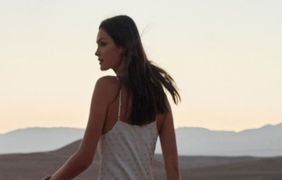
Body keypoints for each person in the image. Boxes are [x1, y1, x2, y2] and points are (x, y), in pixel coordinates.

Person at [44, 15, 181, 180]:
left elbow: (84, 159)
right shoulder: (159, 97)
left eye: (103, 44)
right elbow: (173, 171)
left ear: (122, 47)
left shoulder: (106, 88)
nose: (96, 52)